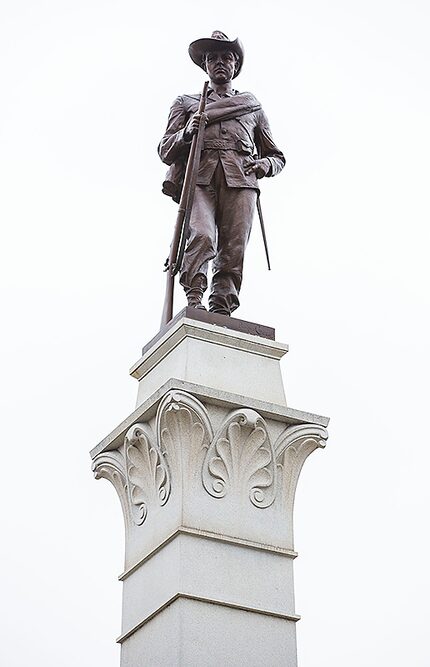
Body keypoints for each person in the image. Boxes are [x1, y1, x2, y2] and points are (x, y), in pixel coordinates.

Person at [158, 31, 285, 316]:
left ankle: (222, 307)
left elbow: (277, 156)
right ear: (205, 65)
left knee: (233, 249)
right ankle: (194, 296)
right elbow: (165, 149)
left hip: (241, 181)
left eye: (226, 58)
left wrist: (264, 166)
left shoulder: (252, 107)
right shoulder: (186, 103)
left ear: (235, 65)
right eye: (212, 58)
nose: (219, 63)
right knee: (202, 236)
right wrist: (187, 131)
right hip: (199, 180)